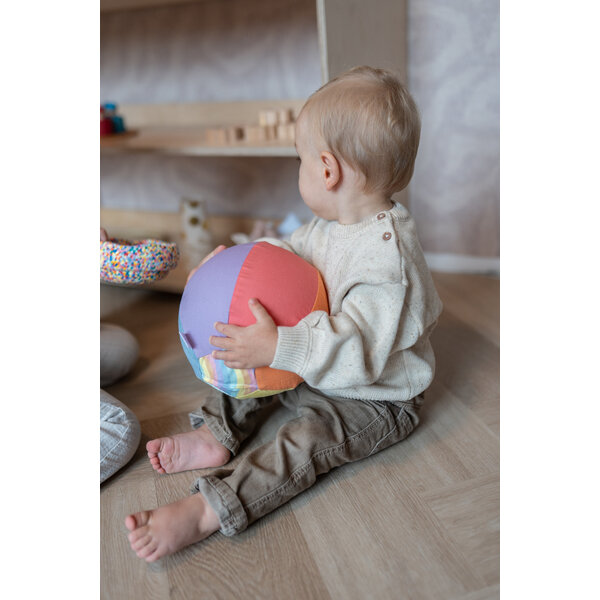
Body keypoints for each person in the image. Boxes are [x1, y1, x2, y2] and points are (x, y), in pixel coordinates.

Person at [125, 66, 443, 562]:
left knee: (301, 444)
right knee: (243, 357)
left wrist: (280, 346)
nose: (299, 169)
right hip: (313, 364)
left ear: (327, 170)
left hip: (372, 396)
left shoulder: (387, 261)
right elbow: (288, 255)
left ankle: (210, 508)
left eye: (300, 159)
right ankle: (214, 434)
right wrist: (230, 266)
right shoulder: (332, 225)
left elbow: (359, 350)